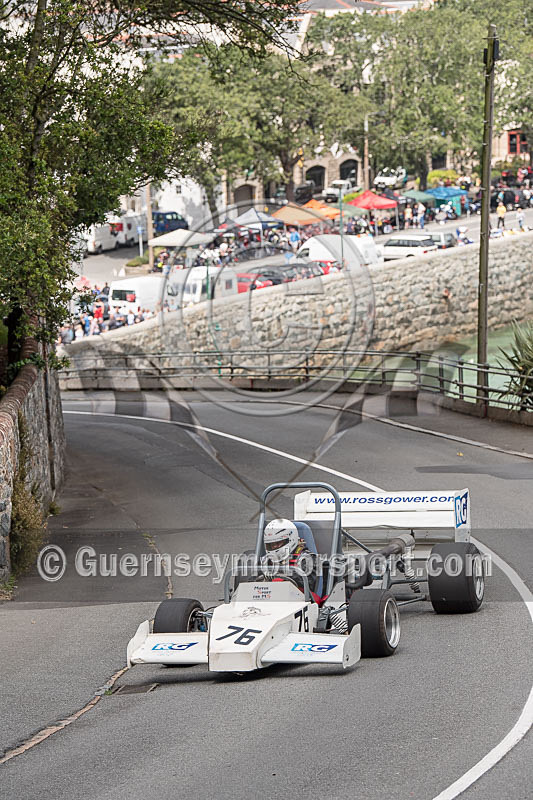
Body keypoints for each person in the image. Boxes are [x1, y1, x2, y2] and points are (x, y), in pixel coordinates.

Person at [263, 518, 319, 597]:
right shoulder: (266, 560)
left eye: (278, 543)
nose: (275, 547)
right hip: (269, 599)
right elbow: (252, 581)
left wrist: (279, 577)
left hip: (298, 600)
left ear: (290, 539)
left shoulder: (308, 558)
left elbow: (307, 582)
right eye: (271, 545)